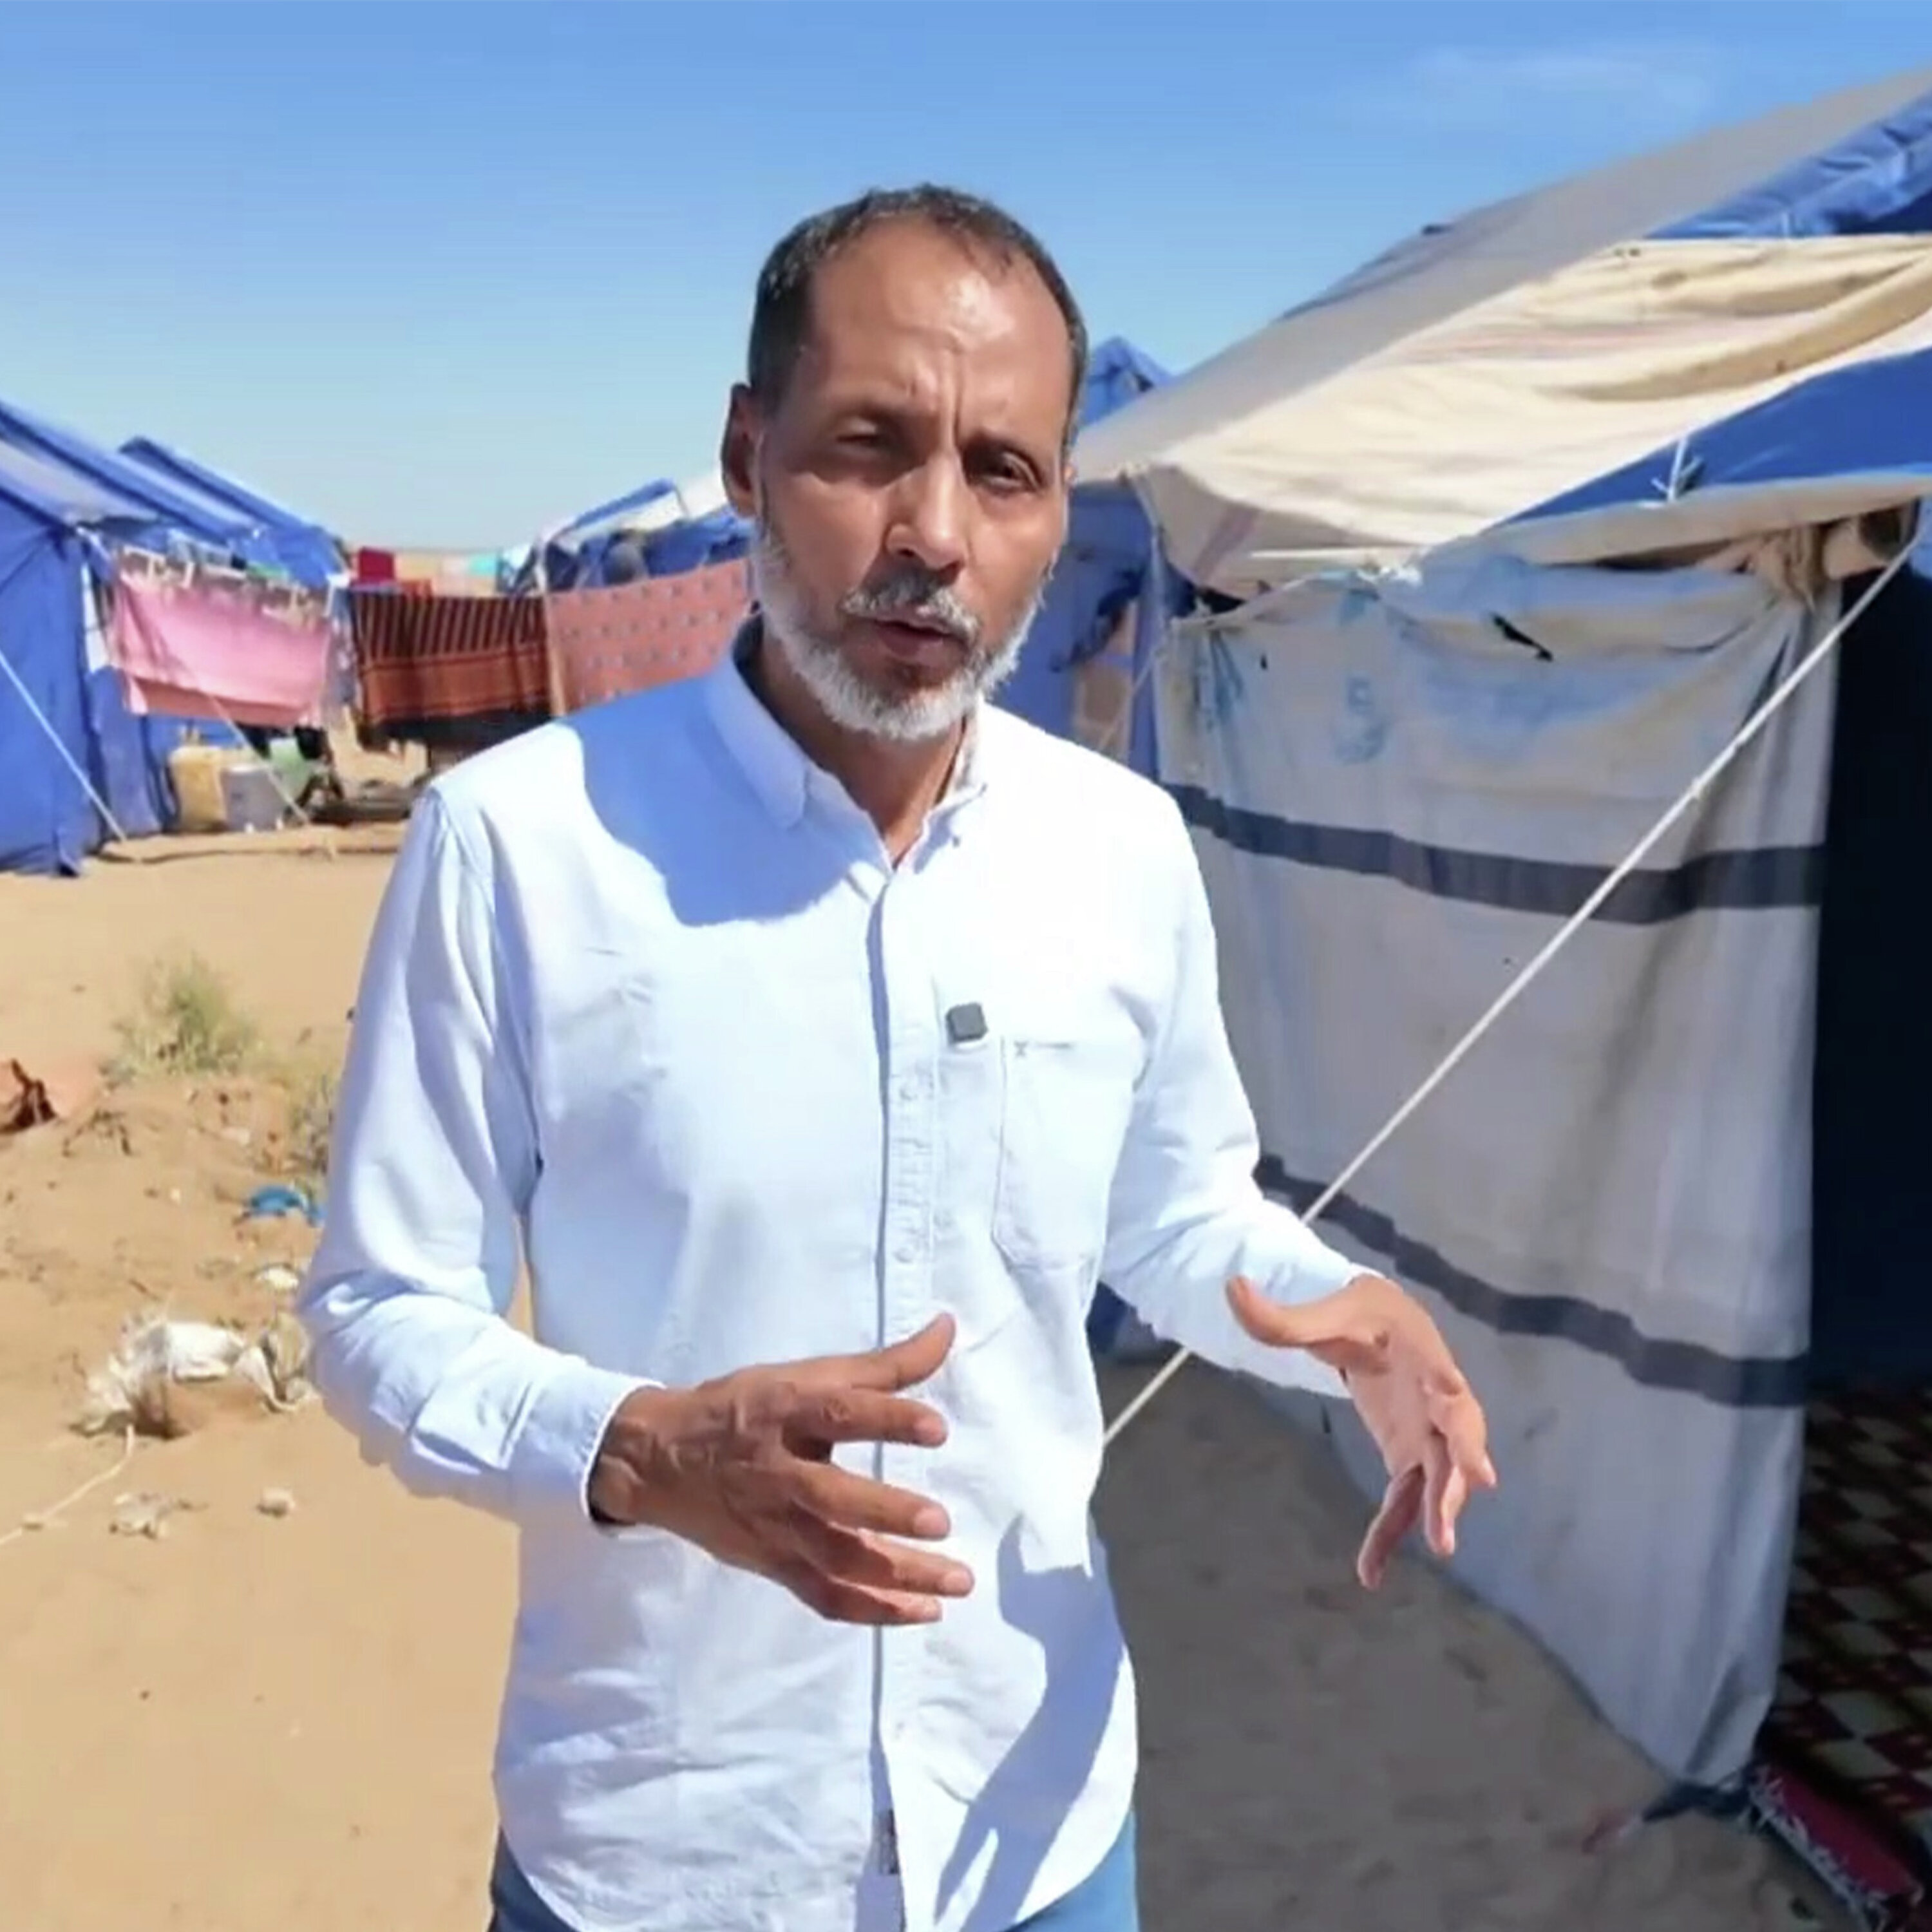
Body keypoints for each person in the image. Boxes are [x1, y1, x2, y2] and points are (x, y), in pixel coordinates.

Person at [299, 184, 1496, 1932]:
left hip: (1038, 1826)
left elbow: (1173, 1219)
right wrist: (632, 1445)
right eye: (870, 446)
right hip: (663, 1852)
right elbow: (376, 1310)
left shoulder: (1124, 850)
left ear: (1055, 508)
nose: (932, 531)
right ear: (745, 451)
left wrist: (1351, 1327)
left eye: (1002, 473)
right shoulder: (520, 845)